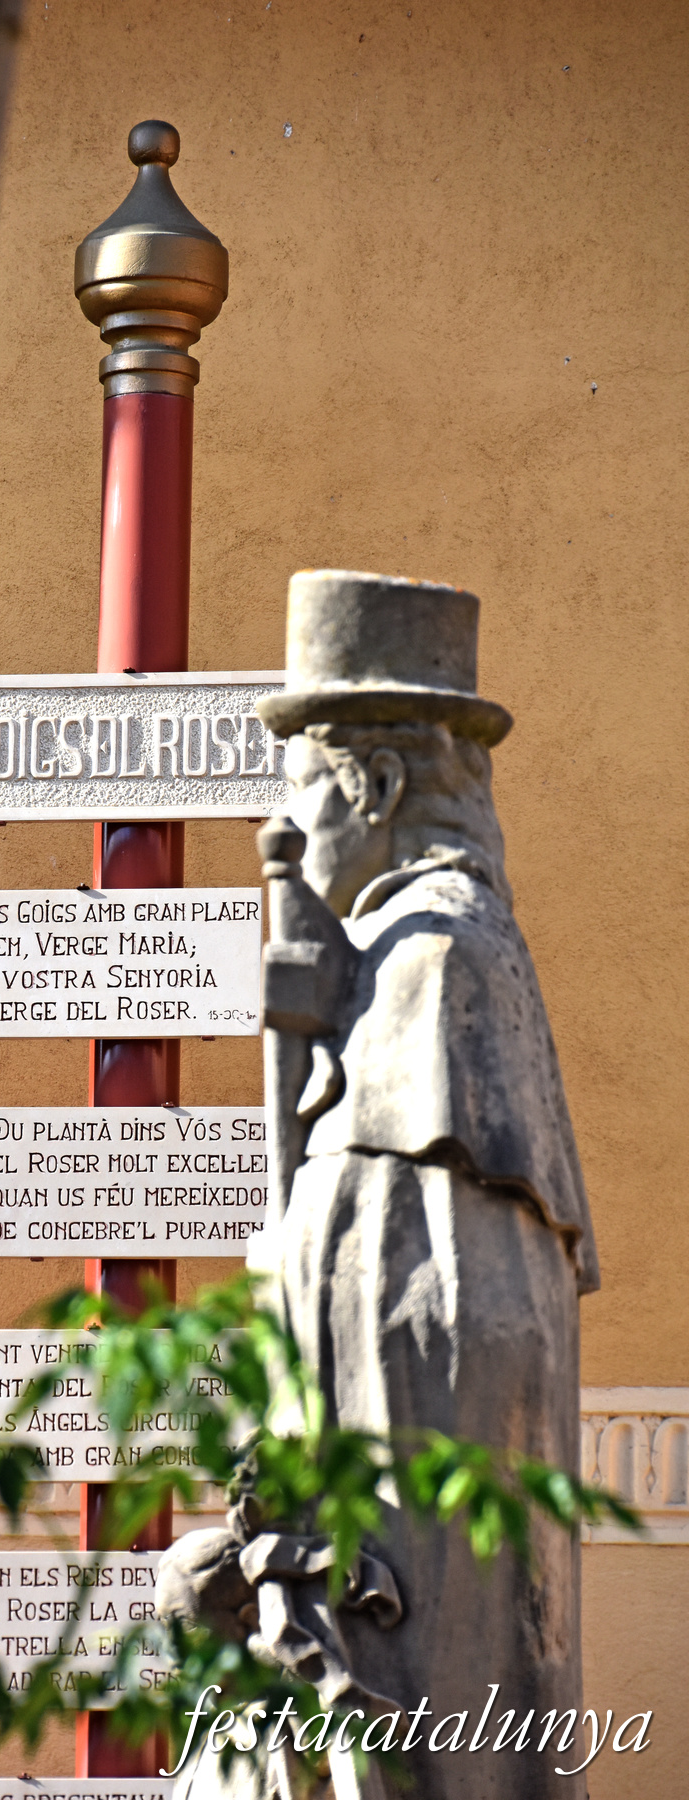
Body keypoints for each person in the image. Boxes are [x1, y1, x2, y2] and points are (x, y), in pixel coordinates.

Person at [158, 571, 597, 1800]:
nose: (288, 828)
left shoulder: (437, 958)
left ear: (379, 784)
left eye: (305, 785)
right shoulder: (395, 960)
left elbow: (409, 1290)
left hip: (399, 1564)